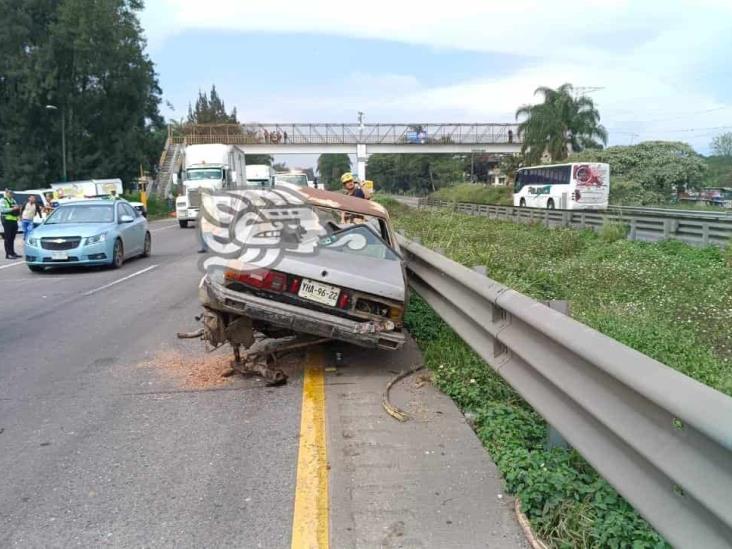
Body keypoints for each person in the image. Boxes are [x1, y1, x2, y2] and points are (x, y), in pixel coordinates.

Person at [1, 189, 21, 259]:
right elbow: (2, 210)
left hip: (14, 220)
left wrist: (18, 210)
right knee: (8, 238)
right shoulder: (3, 200)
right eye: (10, 193)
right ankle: (8, 254)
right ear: (6, 194)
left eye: (12, 193)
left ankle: (12, 252)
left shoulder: (13, 200)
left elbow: (16, 208)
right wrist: (12, 209)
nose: (11, 194)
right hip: (7, 221)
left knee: (12, 238)